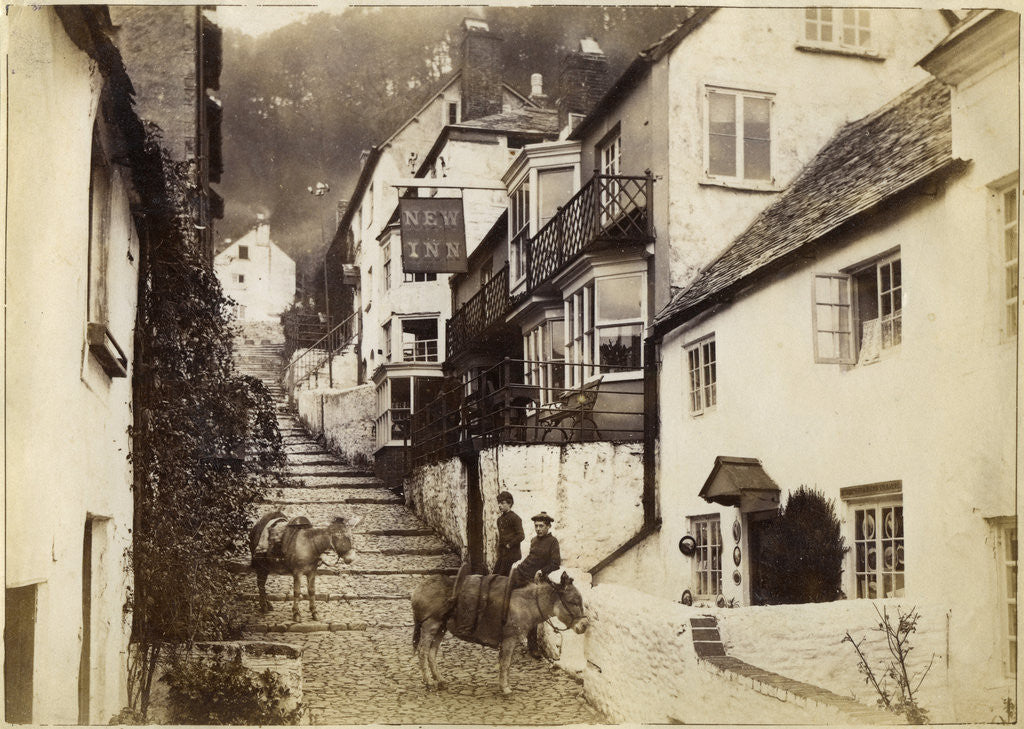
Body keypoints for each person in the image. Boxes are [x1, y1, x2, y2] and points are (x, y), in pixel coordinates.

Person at [510, 511, 561, 659]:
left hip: (535, 580)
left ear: (548, 526)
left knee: (532, 612)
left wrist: (542, 571)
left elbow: (556, 563)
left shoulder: (553, 542)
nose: (538, 529)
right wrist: (519, 565)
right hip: (522, 573)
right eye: (536, 526)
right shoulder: (534, 540)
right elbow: (531, 557)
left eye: (541, 526)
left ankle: (533, 647)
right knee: (505, 594)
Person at [492, 491, 524, 577]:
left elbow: (521, 535)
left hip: (512, 554)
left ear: (509, 504)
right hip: (503, 554)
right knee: (495, 574)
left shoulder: (515, 518)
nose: (499, 505)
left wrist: (510, 544)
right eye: (499, 503)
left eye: (502, 503)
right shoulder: (499, 520)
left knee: (503, 577)